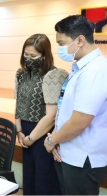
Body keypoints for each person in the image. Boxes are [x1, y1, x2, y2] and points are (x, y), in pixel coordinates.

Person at [44, 15, 107, 195]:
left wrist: (51, 140)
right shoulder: (81, 67)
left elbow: (80, 121)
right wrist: (58, 142)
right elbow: (66, 111)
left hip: (83, 159)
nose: (60, 49)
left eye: (62, 43)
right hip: (69, 151)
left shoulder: (96, 70)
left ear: (80, 40)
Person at [15, 34, 68, 195]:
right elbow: (19, 104)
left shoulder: (53, 75)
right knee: (29, 177)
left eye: (33, 56)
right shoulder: (21, 74)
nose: (28, 59)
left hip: (43, 133)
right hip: (24, 131)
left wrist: (31, 138)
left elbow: (51, 116)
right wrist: (19, 131)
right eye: (26, 54)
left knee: (44, 181)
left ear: (44, 55)